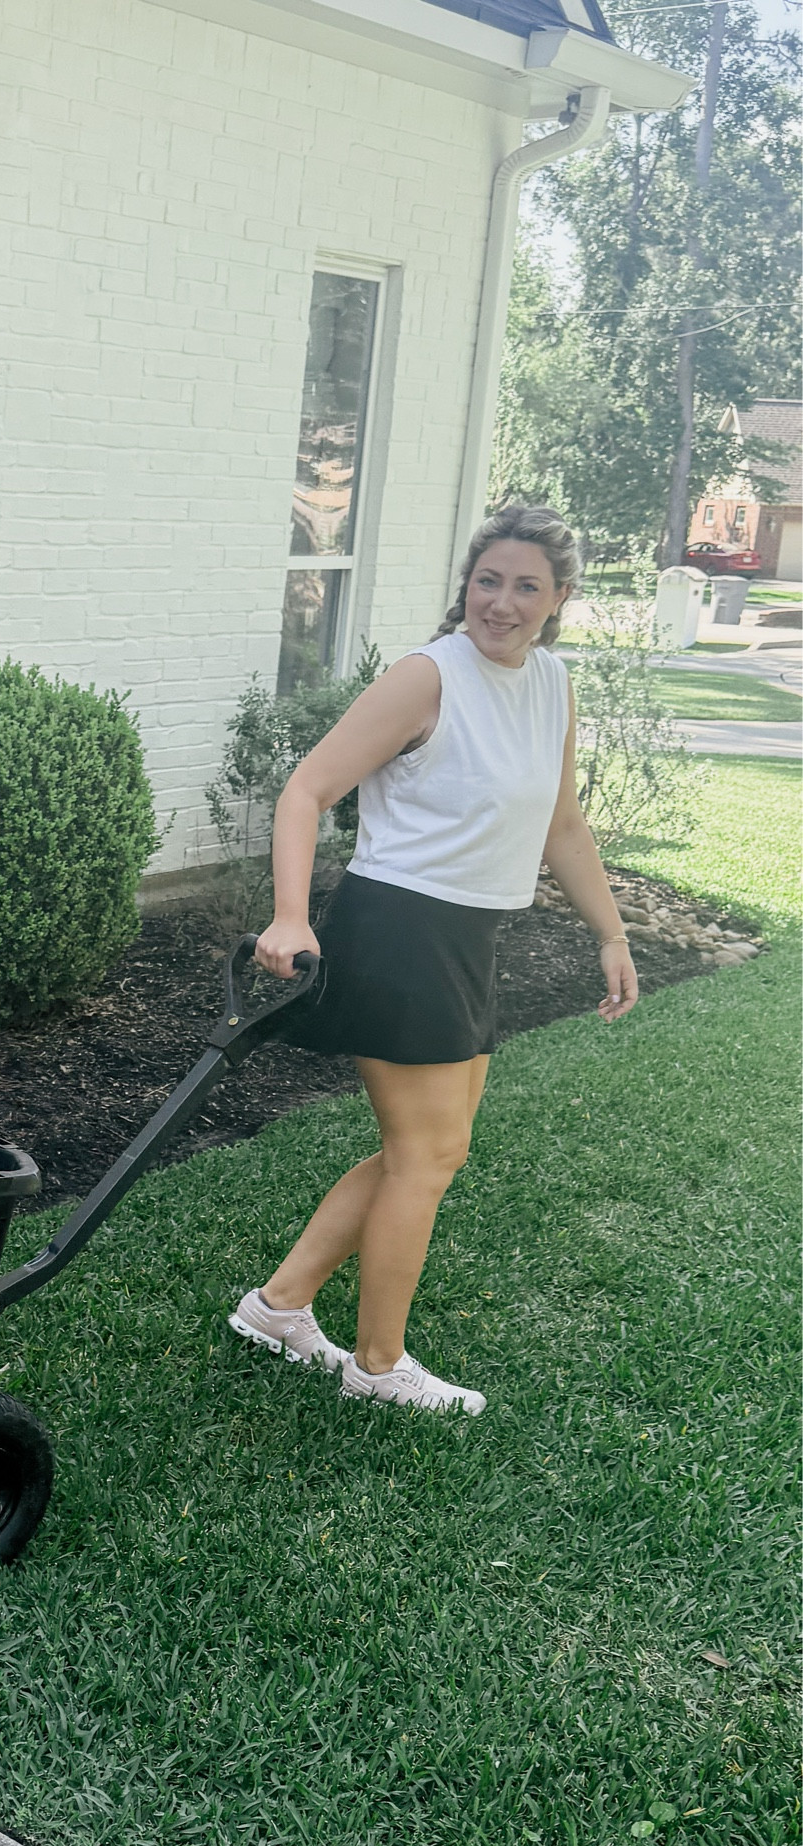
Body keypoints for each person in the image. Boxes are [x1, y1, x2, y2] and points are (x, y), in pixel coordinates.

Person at [229, 504, 639, 1416]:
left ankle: (278, 1306)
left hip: (467, 938)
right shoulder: (428, 677)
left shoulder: (551, 684)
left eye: (525, 585)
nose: (499, 602)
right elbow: (308, 789)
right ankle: (378, 1367)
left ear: (559, 598)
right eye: (486, 579)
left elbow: (561, 824)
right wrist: (291, 915)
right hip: (400, 930)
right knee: (428, 1152)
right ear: (466, 583)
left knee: (423, 1151)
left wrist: (610, 934)